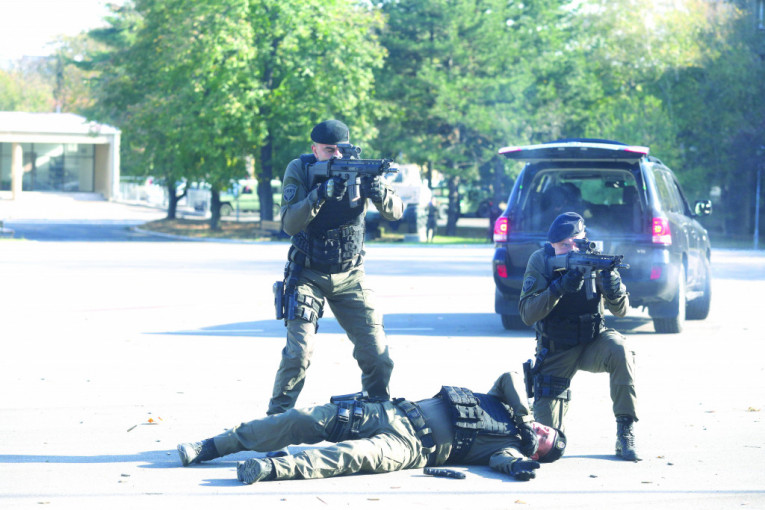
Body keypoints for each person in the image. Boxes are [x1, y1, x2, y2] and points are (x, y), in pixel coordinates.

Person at [176, 371, 567, 484]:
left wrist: (521, 465)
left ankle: (268, 468)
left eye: (543, 443)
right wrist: (524, 417)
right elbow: (508, 377)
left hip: (410, 448)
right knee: (303, 419)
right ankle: (212, 446)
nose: (541, 434)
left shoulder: (509, 448)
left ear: (537, 452)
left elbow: (506, 462)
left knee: (345, 457)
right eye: (546, 431)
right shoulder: (507, 404)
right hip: (390, 412)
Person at [269, 120, 404, 417]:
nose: (337, 156)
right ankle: (275, 422)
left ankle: (377, 414)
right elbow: (289, 224)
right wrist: (319, 195)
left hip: (351, 276)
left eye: (342, 150)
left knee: (377, 355)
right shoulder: (300, 169)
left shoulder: (363, 169)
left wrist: (379, 192)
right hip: (307, 274)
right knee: (298, 354)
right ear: (315, 149)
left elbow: (397, 212)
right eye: (329, 150)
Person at [518, 212, 640, 461]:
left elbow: (622, 310)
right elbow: (527, 314)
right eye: (564, 245)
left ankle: (625, 431)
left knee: (621, 350)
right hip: (557, 349)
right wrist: (558, 288)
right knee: (547, 444)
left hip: (593, 341)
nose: (572, 249)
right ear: (552, 245)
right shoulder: (541, 261)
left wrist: (612, 288)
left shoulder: (597, 260)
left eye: (576, 242)